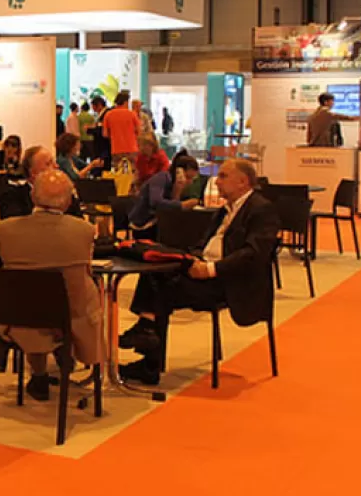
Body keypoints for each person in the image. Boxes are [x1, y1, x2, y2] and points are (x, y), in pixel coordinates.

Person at [118, 159, 280, 384]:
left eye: (223, 176)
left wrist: (211, 269)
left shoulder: (262, 210)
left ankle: (149, 354)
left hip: (231, 282)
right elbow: (202, 245)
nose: (217, 182)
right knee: (156, 271)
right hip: (205, 270)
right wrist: (192, 259)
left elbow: (253, 255)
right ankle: (146, 336)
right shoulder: (223, 211)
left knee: (160, 289)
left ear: (243, 182)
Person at [0, 170, 104, 401]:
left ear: (33, 196)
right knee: (86, 290)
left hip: (19, 316)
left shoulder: (4, 230)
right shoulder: (84, 231)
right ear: (68, 201)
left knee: (30, 296)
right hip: (70, 315)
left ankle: (37, 372)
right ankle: (69, 351)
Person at [127, 154, 202, 230]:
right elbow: (155, 202)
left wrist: (178, 190)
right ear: (178, 172)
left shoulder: (178, 186)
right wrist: (182, 205)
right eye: (188, 177)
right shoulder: (162, 177)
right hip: (142, 225)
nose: (190, 182)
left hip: (158, 224)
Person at [103, 91, 142, 165]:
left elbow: (105, 134)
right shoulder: (132, 114)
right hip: (132, 149)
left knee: (119, 170)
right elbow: (139, 132)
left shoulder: (108, 115)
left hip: (116, 149)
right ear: (126, 102)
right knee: (132, 170)